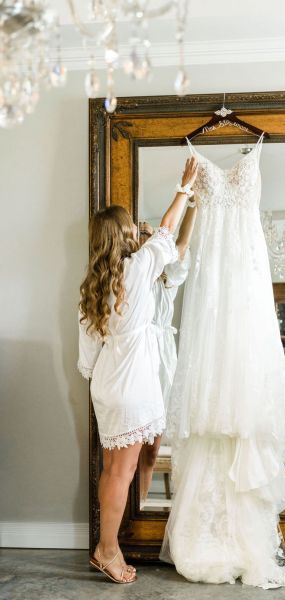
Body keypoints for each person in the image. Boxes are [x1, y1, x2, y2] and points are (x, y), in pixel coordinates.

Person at [77, 157, 198, 584]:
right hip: (132, 383)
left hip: (108, 384)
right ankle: (106, 550)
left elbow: (87, 360)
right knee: (122, 472)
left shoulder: (94, 287)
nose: (137, 229)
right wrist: (184, 188)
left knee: (114, 469)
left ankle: (106, 546)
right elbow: (167, 231)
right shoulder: (139, 267)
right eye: (131, 225)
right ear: (124, 234)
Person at [138, 203, 198, 503]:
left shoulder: (168, 275)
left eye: (148, 231)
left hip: (162, 360)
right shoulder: (132, 274)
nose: (145, 236)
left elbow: (182, 243)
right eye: (140, 233)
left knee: (151, 450)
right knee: (130, 444)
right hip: (137, 356)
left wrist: (192, 205)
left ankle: (142, 504)